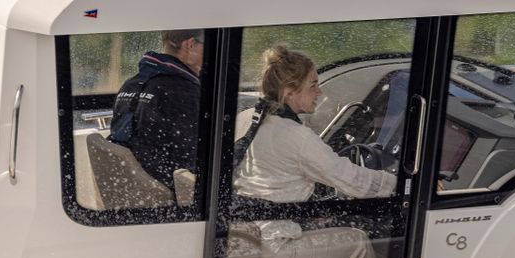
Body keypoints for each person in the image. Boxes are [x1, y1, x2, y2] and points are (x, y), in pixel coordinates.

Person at [233, 45, 395, 205]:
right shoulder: (297, 137)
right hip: (283, 221)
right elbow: (352, 180)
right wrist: (397, 183)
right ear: (289, 92)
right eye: (313, 85)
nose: (319, 92)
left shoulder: (246, 117)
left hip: (247, 215)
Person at [110, 29, 203, 189]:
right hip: (170, 185)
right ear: (190, 45)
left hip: (135, 179)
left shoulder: (132, 83)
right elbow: (194, 159)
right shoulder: (184, 91)